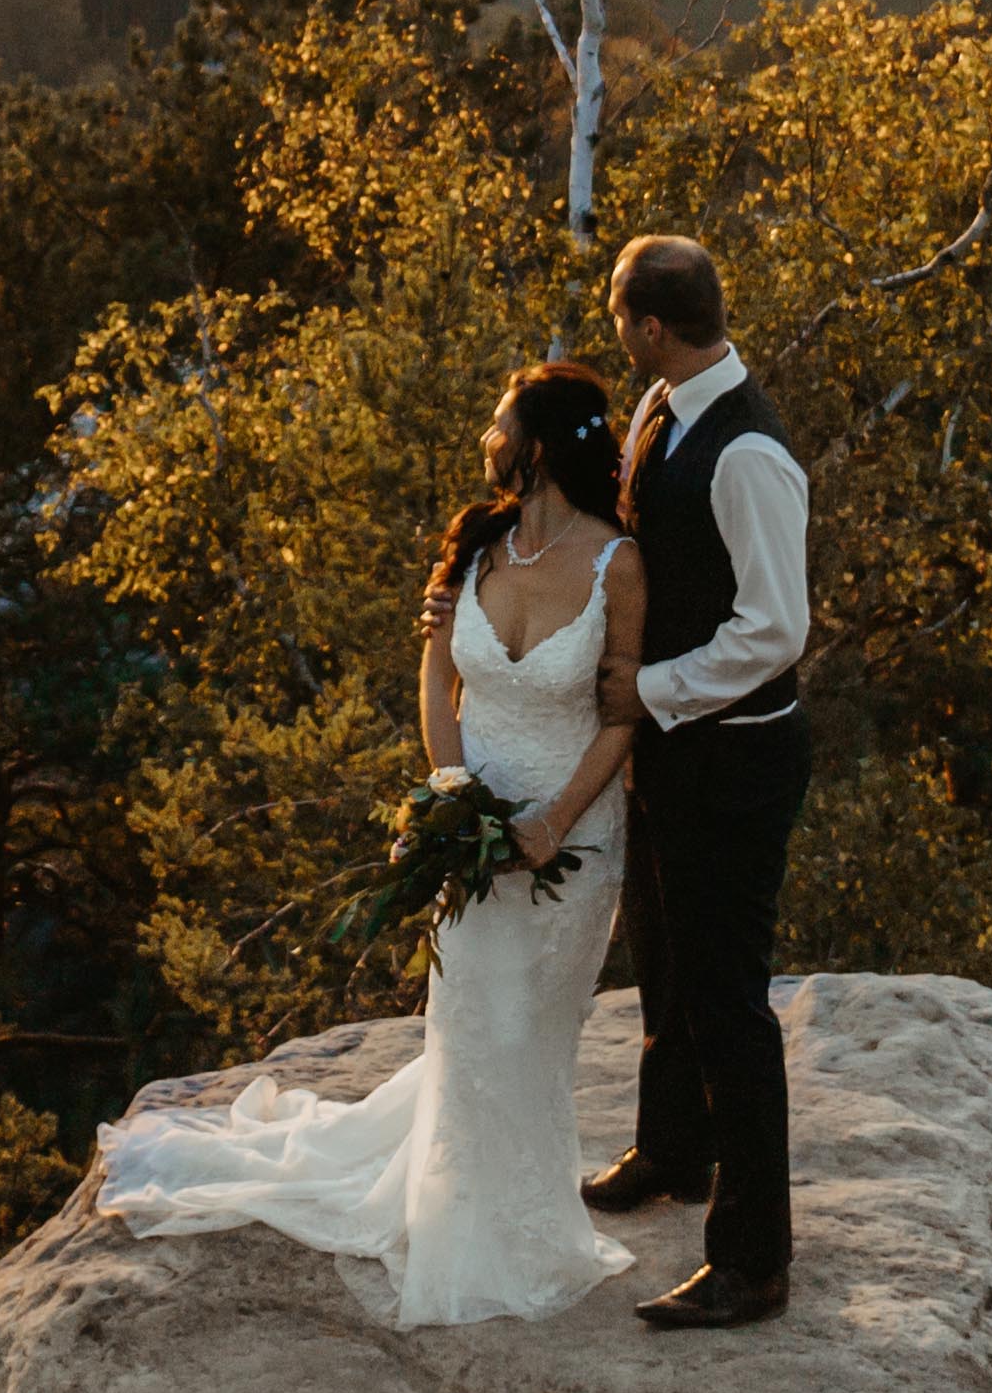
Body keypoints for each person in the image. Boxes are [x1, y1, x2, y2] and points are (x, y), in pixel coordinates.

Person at [97, 361, 650, 1327]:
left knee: (533, 1027)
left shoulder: (619, 564)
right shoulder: (477, 546)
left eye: (502, 421)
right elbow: (441, 682)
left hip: (576, 830)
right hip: (475, 827)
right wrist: (459, 803)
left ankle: (520, 1222)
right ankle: (460, 1218)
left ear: (544, 445)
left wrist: (552, 820)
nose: (489, 437)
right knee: (474, 1013)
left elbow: (621, 716)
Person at [588, 232, 809, 1330]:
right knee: (662, 958)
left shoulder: (748, 453)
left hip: (737, 758)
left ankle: (753, 1261)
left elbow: (775, 627)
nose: (616, 333)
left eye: (619, 317)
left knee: (730, 1001)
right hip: (674, 746)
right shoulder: (659, 408)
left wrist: (653, 686)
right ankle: (674, 1150)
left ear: (651, 325)